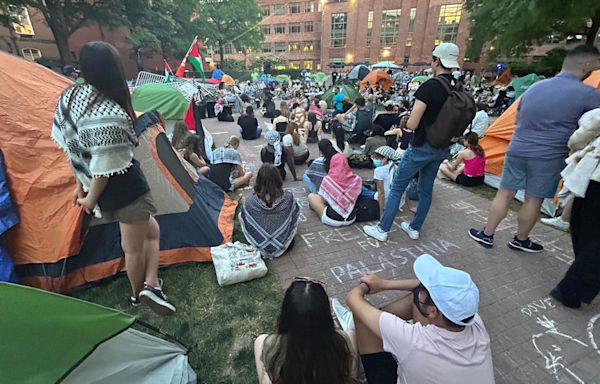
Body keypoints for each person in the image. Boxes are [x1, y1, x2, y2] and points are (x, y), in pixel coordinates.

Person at [51, 41, 175, 315]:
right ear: (114, 69)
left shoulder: (69, 98)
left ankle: (151, 283)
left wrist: (80, 186)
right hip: (125, 188)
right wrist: (89, 196)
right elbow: (105, 166)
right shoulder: (110, 113)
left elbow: (73, 147)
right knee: (132, 247)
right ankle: (140, 293)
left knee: (150, 232)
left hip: (103, 193)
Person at [469, 45, 600, 252]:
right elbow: (592, 126)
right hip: (549, 155)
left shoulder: (535, 87)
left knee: (504, 193)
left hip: (517, 148)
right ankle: (520, 239)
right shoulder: (589, 94)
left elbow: (519, 118)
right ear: (587, 65)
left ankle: (487, 233)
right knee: (534, 199)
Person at [363, 43, 464, 242]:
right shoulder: (457, 86)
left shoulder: (430, 86)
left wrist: (407, 120)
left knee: (398, 187)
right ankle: (414, 227)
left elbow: (413, 123)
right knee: (426, 189)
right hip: (442, 147)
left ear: (436, 61)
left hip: (421, 146)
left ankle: (383, 230)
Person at [345, 254, 494, 384]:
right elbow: (419, 287)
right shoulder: (473, 321)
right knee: (417, 300)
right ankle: (378, 326)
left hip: (416, 352)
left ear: (433, 312)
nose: (421, 289)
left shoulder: (414, 341)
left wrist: (365, 285)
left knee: (362, 317)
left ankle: (373, 330)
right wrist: (384, 284)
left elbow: (353, 298)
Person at [254, 277, 360, 384]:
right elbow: (352, 378)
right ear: (325, 316)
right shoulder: (347, 340)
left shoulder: (265, 344)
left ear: (286, 314)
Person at [550, 107, 600, 308]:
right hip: (594, 177)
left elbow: (586, 131)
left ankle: (577, 281)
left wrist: (577, 144)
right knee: (590, 236)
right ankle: (578, 281)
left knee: (586, 231)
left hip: (594, 179)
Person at [240, 164, 300, 260]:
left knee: (242, 214)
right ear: (278, 178)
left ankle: (261, 240)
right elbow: (294, 216)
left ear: (258, 180)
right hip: (285, 245)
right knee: (292, 214)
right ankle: (281, 236)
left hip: (258, 244)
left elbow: (245, 220)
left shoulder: (250, 202)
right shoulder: (288, 198)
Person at [308, 154, 361, 227]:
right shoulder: (356, 179)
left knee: (311, 196)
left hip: (331, 219)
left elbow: (323, 199)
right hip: (351, 218)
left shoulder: (328, 179)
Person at [361, 146, 402, 217]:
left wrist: (381, 213)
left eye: (377, 158)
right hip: (396, 202)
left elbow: (381, 193)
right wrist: (409, 206)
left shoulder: (379, 170)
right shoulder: (397, 167)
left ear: (385, 158)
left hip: (386, 201)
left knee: (360, 188)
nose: (375, 160)